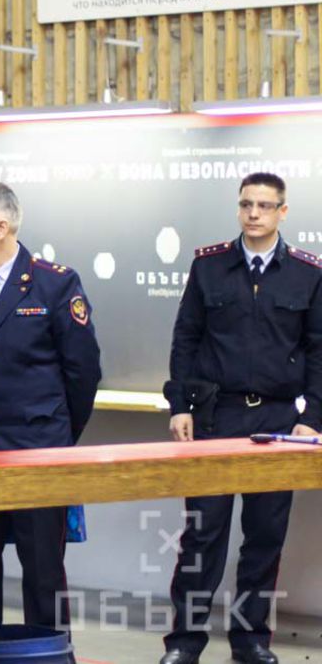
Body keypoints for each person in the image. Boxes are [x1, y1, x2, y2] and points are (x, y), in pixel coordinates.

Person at [160, 172, 322, 664]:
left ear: (282, 212)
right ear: (239, 207)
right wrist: (180, 404)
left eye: (265, 206)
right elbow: (186, 338)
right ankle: (184, 642)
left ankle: (250, 641)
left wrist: (313, 416)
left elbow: (319, 350)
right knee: (202, 536)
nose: (254, 213)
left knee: (264, 538)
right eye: (247, 204)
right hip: (216, 416)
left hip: (277, 421)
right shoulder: (209, 266)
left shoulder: (307, 273)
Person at [0, 182, 101, 636]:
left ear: (0, 227)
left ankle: (48, 656)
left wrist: (54, 436)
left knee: (43, 572)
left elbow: (83, 373)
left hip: (36, 452)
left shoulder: (54, 283)